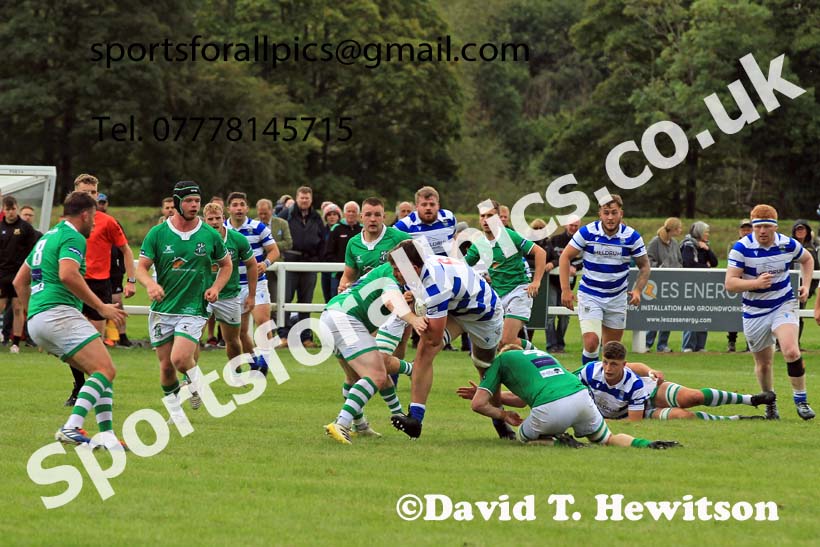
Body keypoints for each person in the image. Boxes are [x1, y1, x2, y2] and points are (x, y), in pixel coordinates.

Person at [13, 191, 128, 448]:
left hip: (40, 318)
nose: (95, 224)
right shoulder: (73, 236)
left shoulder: (50, 236)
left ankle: (106, 435)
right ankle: (71, 426)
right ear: (85, 215)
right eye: (94, 218)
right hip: (59, 313)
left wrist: (35, 316)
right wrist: (101, 307)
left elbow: (19, 281)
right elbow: (68, 274)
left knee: (99, 370)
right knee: (105, 369)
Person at [388, 239, 508, 440]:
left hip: (484, 316)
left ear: (414, 267)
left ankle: (501, 421)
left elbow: (435, 338)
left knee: (485, 370)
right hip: (456, 307)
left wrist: (418, 316)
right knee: (424, 350)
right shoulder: (418, 268)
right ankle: (415, 419)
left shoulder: (435, 285)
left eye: (396, 269)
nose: (394, 274)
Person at [137, 181, 232, 423]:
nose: (194, 206)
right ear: (177, 202)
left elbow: (226, 264)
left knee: (179, 359)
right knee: (166, 367)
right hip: (163, 309)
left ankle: (198, 384)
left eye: (197, 202)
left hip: (193, 307)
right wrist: (150, 284)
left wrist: (215, 287)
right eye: (189, 201)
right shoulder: (158, 233)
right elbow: (142, 268)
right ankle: (177, 415)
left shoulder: (209, 234)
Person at [460, 345, 680, 449]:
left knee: (524, 437)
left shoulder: (501, 360)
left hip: (551, 406)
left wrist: (502, 414)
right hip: (581, 396)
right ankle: (647, 445)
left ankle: (562, 443)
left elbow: (477, 404)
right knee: (607, 438)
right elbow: (522, 398)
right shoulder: (540, 355)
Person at [725, 204, 815, 420]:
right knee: (763, 363)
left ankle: (801, 400)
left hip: (783, 304)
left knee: (791, 351)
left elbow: (807, 259)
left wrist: (806, 284)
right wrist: (755, 283)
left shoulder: (787, 244)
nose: (762, 231)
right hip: (754, 311)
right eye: (758, 227)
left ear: (775, 227)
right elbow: (730, 283)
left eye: (767, 226)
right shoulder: (741, 248)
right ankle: (770, 403)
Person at [322, 262, 427, 444]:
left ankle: (360, 426)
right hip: (345, 320)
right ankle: (341, 423)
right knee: (377, 374)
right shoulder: (392, 276)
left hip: (330, 316)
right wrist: (413, 319)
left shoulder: (389, 273)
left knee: (356, 377)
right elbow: (389, 300)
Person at [64, 175, 136, 406]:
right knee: (72, 343)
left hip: (99, 286)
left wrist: (131, 280)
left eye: (94, 193)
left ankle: (94, 390)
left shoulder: (106, 221)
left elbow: (126, 250)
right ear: (75, 194)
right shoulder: (67, 224)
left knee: (95, 341)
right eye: (86, 192)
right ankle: (79, 386)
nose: (90, 197)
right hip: (74, 284)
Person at [576, 341, 773, 421]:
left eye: (614, 364)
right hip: (639, 411)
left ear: (623, 364)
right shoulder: (590, 372)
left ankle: (750, 400)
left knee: (692, 397)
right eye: (606, 363)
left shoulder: (633, 382)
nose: (608, 369)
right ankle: (736, 420)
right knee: (684, 417)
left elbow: (637, 368)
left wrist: (650, 371)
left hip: (649, 392)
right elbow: (634, 422)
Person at [559, 195, 650, 365]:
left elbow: (644, 266)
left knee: (612, 350)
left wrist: (638, 290)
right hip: (590, 295)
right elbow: (565, 257)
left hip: (617, 298)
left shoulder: (632, 237)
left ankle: (605, 388)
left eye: (614, 213)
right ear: (599, 213)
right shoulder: (587, 232)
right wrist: (565, 289)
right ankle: (587, 381)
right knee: (592, 342)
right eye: (606, 212)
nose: (610, 217)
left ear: (621, 213)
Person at [463, 200, 547, 348]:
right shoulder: (479, 244)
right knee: (494, 343)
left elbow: (540, 252)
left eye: (490, 215)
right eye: (482, 216)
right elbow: (461, 265)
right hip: (497, 296)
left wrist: (536, 281)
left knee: (507, 340)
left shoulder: (509, 236)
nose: (485, 220)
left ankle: (542, 359)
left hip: (518, 291)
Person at [225, 192, 279, 371]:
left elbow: (274, 250)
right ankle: (256, 362)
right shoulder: (222, 230)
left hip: (256, 283)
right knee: (240, 332)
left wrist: (265, 263)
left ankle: (266, 359)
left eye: (242, 204)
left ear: (247, 208)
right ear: (228, 209)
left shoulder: (258, 227)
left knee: (263, 322)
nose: (239, 208)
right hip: (233, 286)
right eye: (235, 205)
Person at [203, 202, 257, 362]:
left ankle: (237, 370)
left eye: (217, 218)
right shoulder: (197, 240)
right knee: (193, 338)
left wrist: (252, 295)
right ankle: (189, 377)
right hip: (201, 295)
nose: (214, 222)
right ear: (204, 221)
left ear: (223, 218)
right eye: (210, 219)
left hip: (229, 296)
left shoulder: (237, 239)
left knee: (233, 340)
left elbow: (252, 265)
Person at [277, 186, 324, 349]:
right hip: (289, 262)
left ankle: (305, 337)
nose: (304, 201)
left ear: (311, 199)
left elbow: (322, 239)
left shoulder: (317, 217)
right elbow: (277, 233)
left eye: (307, 198)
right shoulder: (286, 215)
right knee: (285, 300)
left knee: (306, 302)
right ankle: (284, 336)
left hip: (310, 263)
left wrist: (317, 259)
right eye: (302, 198)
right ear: (297, 198)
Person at [0, 195, 40, 353]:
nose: (10, 213)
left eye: (13, 209)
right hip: (2, 274)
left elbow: (33, 250)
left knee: (18, 308)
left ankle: (15, 342)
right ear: (3, 210)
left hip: (20, 274)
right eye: (7, 209)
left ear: (17, 208)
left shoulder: (25, 228)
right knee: (1, 306)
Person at [97, 193, 133, 347]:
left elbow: (124, 247)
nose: (101, 205)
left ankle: (121, 334)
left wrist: (123, 269)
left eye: (103, 202)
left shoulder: (113, 222)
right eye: (98, 202)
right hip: (97, 269)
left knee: (116, 301)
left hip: (113, 270)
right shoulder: (85, 222)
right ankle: (104, 337)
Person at [645, 217, 683, 352]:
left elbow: (679, 260)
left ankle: (662, 344)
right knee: (656, 313)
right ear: (672, 228)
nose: (680, 230)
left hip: (672, 284)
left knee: (669, 313)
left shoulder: (674, 243)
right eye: (678, 228)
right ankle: (647, 343)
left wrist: (678, 269)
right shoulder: (655, 242)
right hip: (657, 283)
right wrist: (660, 267)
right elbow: (648, 259)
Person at [545, 216, 581, 353]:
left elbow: (584, 260)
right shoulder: (555, 240)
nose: (573, 228)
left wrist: (575, 267)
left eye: (576, 226)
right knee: (550, 314)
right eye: (571, 225)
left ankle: (560, 344)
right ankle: (551, 345)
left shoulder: (582, 241)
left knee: (565, 315)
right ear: (566, 225)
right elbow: (550, 257)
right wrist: (556, 263)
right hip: (553, 283)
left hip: (569, 285)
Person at [680, 221, 718, 352]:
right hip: (690, 286)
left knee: (703, 313)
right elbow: (688, 264)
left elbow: (714, 262)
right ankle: (688, 346)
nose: (708, 234)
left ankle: (700, 346)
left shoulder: (704, 246)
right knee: (691, 314)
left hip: (703, 286)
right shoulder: (688, 245)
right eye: (706, 232)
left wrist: (707, 250)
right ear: (699, 232)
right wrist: (705, 266)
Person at [255, 198, 292, 323]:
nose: (263, 216)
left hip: (276, 267)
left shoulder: (282, 223)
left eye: (265, 213)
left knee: (277, 298)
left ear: (271, 211)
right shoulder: (253, 224)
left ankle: (276, 330)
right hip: (257, 268)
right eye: (260, 213)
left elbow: (288, 243)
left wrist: (270, 245)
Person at [393, 186, 457, 256]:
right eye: (424, 204)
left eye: (432, 204)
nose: (428, 208)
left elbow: (454, 237)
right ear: (417, 206)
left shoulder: (449, 217)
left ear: (438, 206)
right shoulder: (405, 225)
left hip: (447, 265)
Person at [727, 219, 754, 352]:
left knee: (752, 314)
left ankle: (751, 343)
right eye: (744, 229)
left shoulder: (757, 245)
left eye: (749, 229)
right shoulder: (734, 244)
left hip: (752, 284)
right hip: (738, 283)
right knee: (733, 314)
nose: (746, 231)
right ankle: (731, 342)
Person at [791, 220, 818, 347]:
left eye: (802, 229)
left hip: (803, 287)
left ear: (807, 231)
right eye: (797, 229)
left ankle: (795, 342)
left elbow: (816, 269)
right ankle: (781, 343)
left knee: (799, 314)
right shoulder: (788, 247)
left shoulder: (812, 248)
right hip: (788, 285)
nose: (800, 232)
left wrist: (811, 289)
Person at [319, 203, 343, 303]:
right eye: (329, 214)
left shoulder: (342, 230)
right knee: (327, 297)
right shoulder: (321, 231)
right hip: (324, 268)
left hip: (337, 269)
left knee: (335, 296)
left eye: (334, 214)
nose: (332, 217)